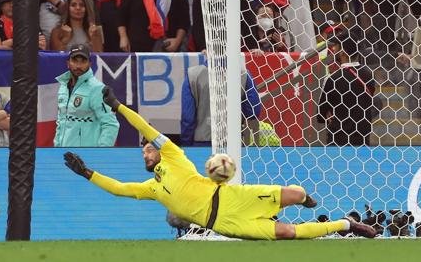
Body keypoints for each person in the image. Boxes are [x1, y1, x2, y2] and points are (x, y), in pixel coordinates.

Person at [64, 86, 378, 240]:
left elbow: (146, 128)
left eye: (147, 150)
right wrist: (87, 173)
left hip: (231, 197)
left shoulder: (174, 155)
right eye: (143, 152)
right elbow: (119, 188)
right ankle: (346, 225)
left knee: (295, 195)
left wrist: (118, 106)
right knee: (286, 234)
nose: (145, 153)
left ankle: (305, 199)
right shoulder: (152, 189)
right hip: (223, 223)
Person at [317, 30, 378, 145]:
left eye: (336, 47)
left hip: (337, 142)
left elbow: (320, 115)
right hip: (362, 140)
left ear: (342, 52)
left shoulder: (332, 79)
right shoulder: (369, 75)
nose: (333, 49)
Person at [180, 60, 261, 146]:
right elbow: (253, 111)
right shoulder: (243, 74)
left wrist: (186, 145)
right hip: (233, 143)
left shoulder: (192, 74)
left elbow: (187, 118)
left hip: (202, 142)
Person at [53, 43, 119, 147]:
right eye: (75, 61)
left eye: (83, 61)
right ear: (68, 63)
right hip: (64, 155)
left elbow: (111, 124)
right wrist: (56, 148)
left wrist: (100, 155)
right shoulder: (63, 87)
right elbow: (61, 121)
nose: (78, 66)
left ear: (90, 64)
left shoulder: (97, 88)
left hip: (88, 158)